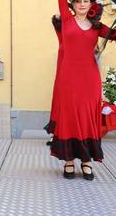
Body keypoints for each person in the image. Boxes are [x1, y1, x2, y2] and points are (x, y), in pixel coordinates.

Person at [51, 0, 116, 180]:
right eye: (78, 1)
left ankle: (86, 161)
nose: (82, 4)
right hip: (68, 77)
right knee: (69, 116)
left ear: (91, 4)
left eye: (86, 1)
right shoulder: (66, 19)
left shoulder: (96, 27)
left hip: (90, 78)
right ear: (74, 4)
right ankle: (69, 161)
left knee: (87, 117)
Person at [44, 14, 64, 146]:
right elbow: (57, 17)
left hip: (81, 69)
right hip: (64, 69)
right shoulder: (63, 30)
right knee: (59, 101)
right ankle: (55, 134)